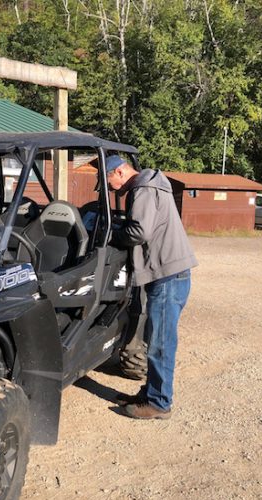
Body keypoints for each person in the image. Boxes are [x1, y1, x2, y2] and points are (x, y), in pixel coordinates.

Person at [105, 154, 197, 420]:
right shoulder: (151, 185)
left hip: (167, 275)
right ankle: (151, 392)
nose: (113, 190)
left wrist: (111, 235)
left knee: (160, 342)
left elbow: (139, 232)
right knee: (156, 338)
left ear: (120, 172)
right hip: (169, 273)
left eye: (111, 182)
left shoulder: (143, 189)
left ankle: (159, 403)